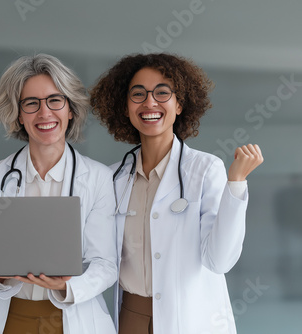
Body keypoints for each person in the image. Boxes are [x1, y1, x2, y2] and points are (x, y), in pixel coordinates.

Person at [89, 53, 264, 334]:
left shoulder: (205, 170)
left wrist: (237, 183)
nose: (149, 103)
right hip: (130, 317)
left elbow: (219, 260)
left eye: (162, 93)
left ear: (180, 104)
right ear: (124, 107)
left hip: (189, 318)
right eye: (138, 94)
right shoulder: (111, 177)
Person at [0, 54, 117, 334]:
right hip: (8, 317)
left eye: (55, 100)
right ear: (19, 115)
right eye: (31, 103)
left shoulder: (98, 178)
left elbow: (105, 264)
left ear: (70, 109)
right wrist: (2, 277)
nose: (44, 113)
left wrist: (66, 286)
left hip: (71, 316)